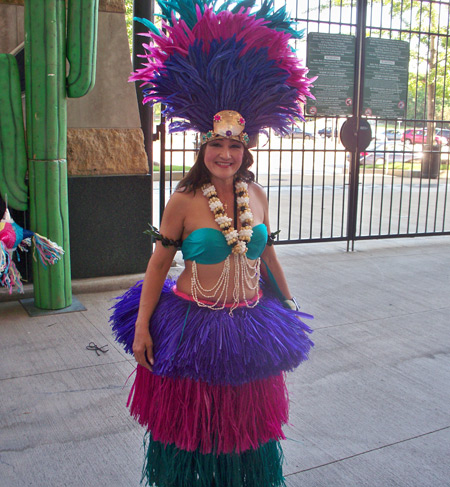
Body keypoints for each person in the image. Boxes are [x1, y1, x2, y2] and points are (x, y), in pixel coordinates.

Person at [110, 1, 315, 485]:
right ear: (203, 147)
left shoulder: (257, 195)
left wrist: (286, 302)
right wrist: (142, 329)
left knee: (247, 428)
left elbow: (266, 253)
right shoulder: (182, 200)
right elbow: (158, 266)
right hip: (191, 324)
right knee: (194, 428)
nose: (226, 153)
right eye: (217, 144)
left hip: (250, 321)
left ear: (246, 148)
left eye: (235, 145)